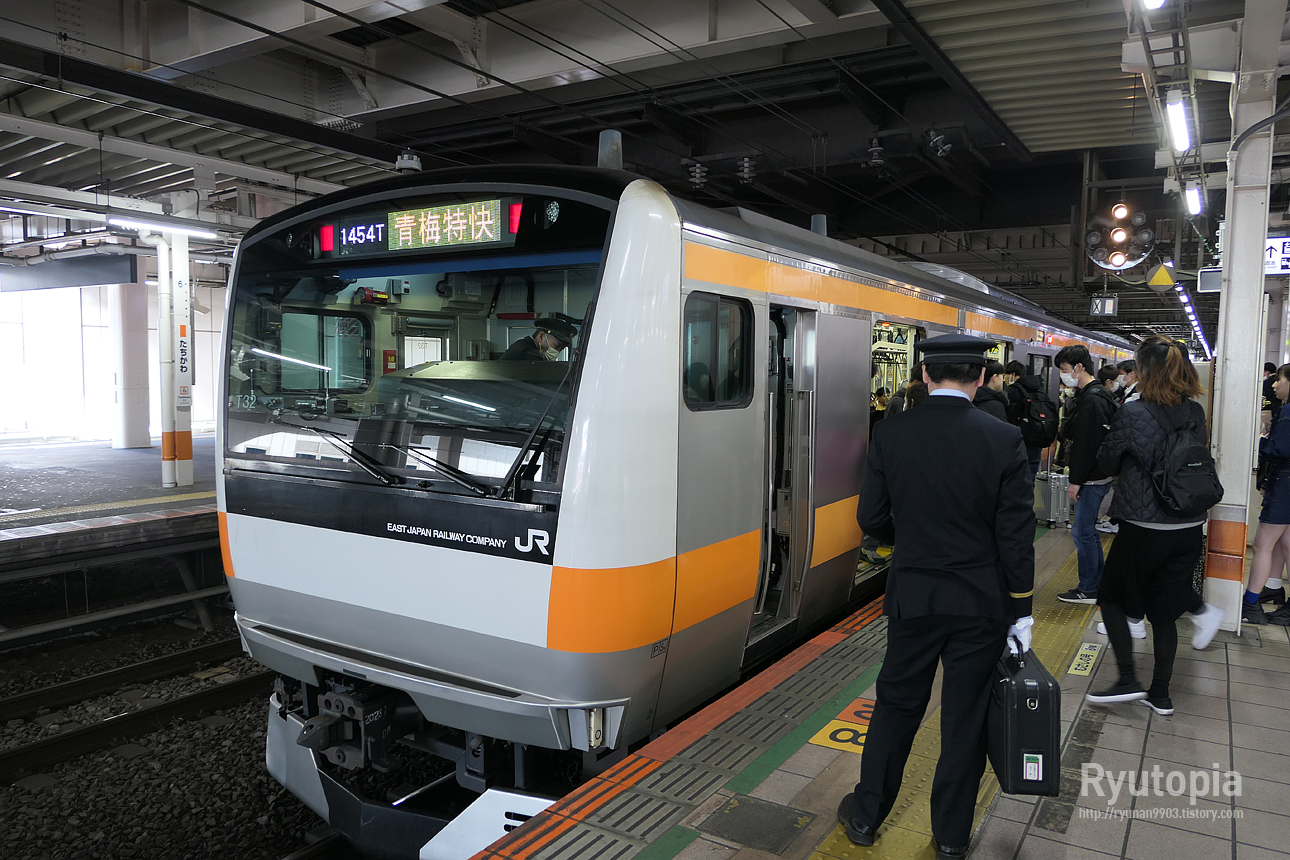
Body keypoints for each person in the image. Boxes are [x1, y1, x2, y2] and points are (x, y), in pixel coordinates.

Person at [837, 334, 1034, 860]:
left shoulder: (891, 432)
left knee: (897, 705)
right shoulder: (1004, 438)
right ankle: (950, 836)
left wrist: (911, 539)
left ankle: (866, 815)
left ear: (925, 375)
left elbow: (871, 518)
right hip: (980, 602)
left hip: (914, 595)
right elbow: (1015, 536)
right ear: (981, 378)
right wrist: (1022, 611)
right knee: (964, 717)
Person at [1086, 336, 1224, 715]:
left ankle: (1127, 678)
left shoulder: (1133, 412)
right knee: (1165, 613)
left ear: (1145, 370)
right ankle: (1160, 695)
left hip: (1144, 526)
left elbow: (1108, 460)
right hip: (1189, 526)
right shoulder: (1194, 411)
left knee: (1111, 598)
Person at [1055, 345, 1118, 604]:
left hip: (1091, 478)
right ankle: (1095, 583)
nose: (1063, 375)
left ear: (1079, 368)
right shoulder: (1095, 394)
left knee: (1083, 532)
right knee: (1086, 532)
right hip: (1097, 475)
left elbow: (1087, 445)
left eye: (1064, 369)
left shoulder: (1092, 400)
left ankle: (1090, 588)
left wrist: (1076, 481)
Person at [1246, 364, 1290, 625]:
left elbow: (1279, 449)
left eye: (1279, 380)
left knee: (1262, 545)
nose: (1274, 385)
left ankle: (1250, 604)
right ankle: (1274, 590)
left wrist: (1259, 441)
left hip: (1284, 483)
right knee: (1286, 544)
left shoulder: (1287, 412)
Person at [1003, 360, 1046, 482]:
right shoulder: (1038, 390)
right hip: (1036, 439)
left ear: (1012, 374)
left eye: (1005, 375)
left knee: (1015, 478)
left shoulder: (1011, 392)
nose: (1005, 379)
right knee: (1030, 476)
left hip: (1019, 440)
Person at [500, 317, 578, 361]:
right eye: (556, 346)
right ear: (541, 336)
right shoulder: (527, 354)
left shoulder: (526, 345)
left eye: (561, 349)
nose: (557, 352)